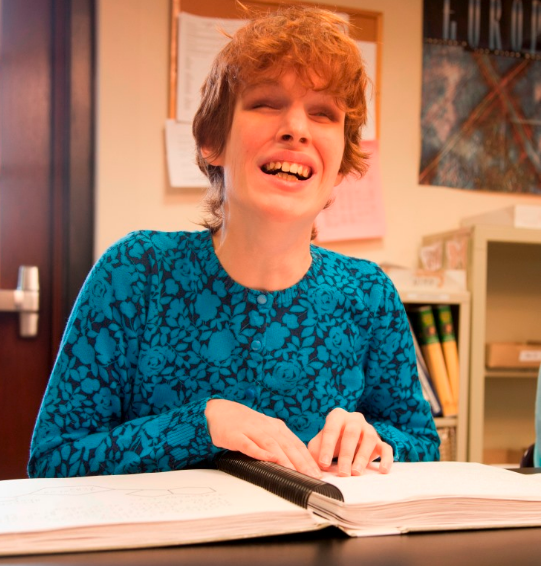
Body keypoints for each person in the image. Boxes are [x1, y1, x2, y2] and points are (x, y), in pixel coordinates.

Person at [28, 6, 440, 480]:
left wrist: (373, 439)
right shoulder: (134, 272)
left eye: (322, 113)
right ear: (211, 141)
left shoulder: (368, 294)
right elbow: (53, 459)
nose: (297, 129)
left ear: (342, 163)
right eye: (266, 103)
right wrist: (199, 426)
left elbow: (424, 446)